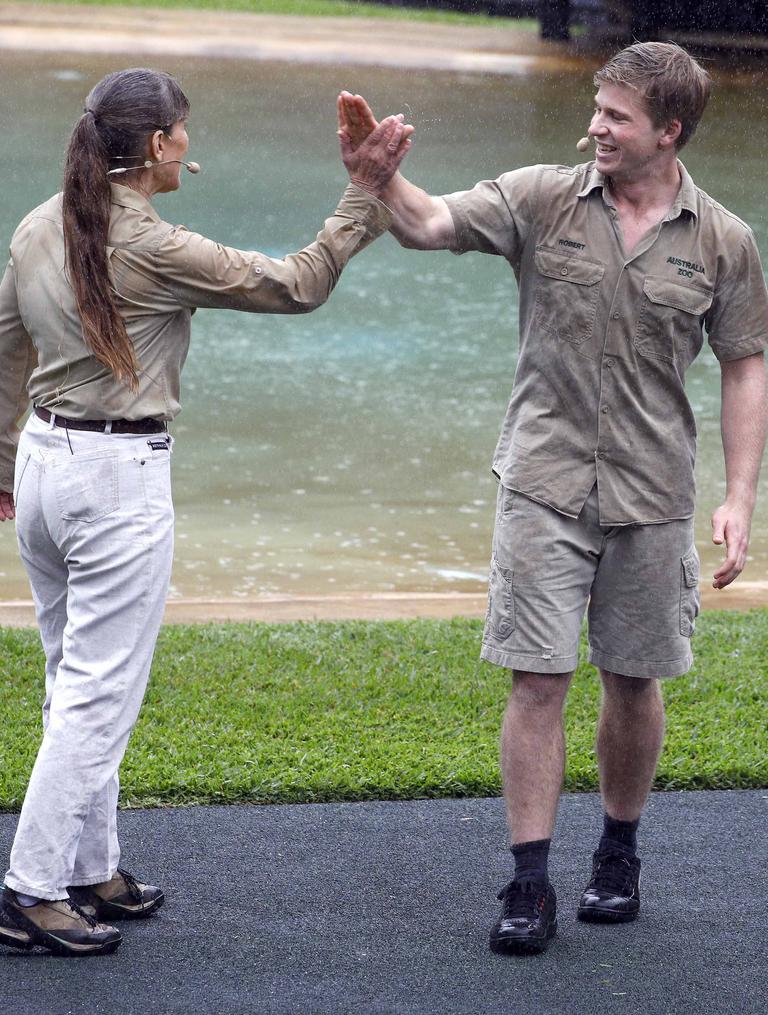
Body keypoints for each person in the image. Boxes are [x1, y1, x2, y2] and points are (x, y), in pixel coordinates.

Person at [337, 40, 768, 955]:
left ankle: (618, 852)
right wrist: (377, 180)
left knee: (634, 678)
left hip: (653, 494)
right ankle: (528, 880)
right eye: (597, 109)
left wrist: (738, 497)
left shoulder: (724, 240)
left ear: (669, 130)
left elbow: (744, 366)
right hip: (542, 483)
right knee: (537, 678)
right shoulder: (540, 195)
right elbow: (429, 224)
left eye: (616, 116)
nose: (595, 127)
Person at [0, 67, 411, 957]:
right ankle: (30, 890)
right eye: (184, 132)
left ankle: (90, 869)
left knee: (73, 680)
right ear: (156, 147)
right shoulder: (154, 245)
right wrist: (363, 195)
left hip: (40, 465)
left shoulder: (38, 222)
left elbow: (7, 346)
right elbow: (298, 283)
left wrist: (2, 466)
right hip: (113, 480)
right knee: (96, 693)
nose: (191, 144)